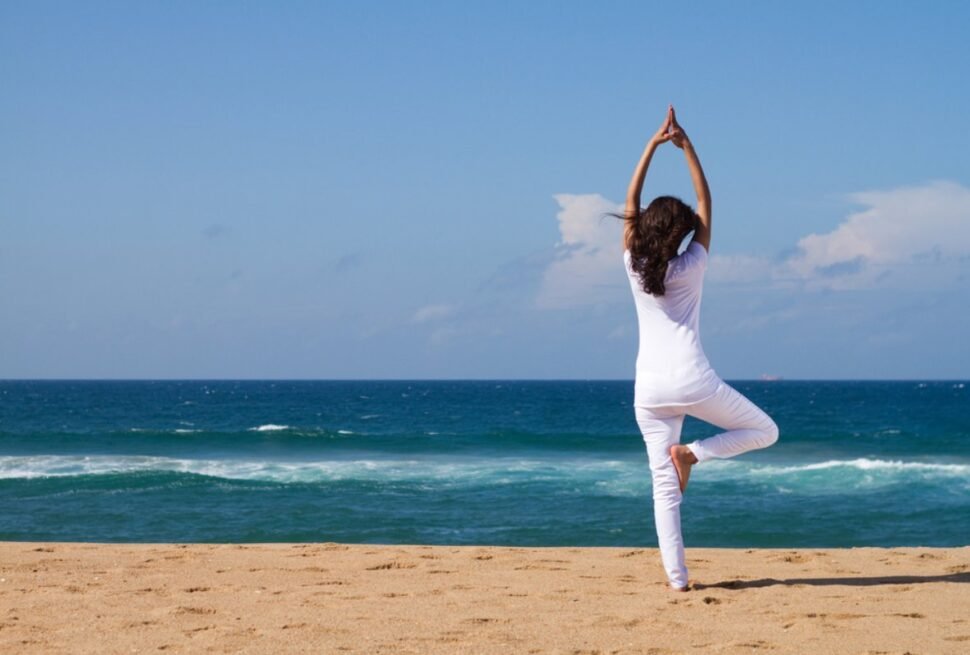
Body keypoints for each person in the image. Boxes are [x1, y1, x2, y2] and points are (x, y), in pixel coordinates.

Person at [620, 105, 779, 592]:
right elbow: (706, 201)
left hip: (648, 389)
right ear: (680, 233)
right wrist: (685, 145)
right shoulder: (693, 264)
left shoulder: (632, 263)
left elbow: (630, 203)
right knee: (764, 430)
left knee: (661, 490)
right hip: (692, 379)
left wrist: (649, 146)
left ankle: (678, 581)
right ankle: (692, 453)